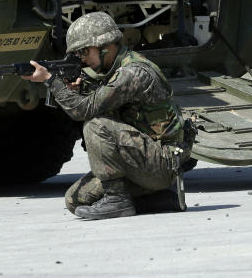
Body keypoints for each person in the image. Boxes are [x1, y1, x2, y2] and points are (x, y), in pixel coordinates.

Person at [23, 11, 193, 219]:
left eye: (85, 51)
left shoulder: (133, 73)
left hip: (163, 162)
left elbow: (84, 111)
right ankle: (160, 198)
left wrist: (51, 81)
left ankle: (117, 201)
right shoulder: (113, 71)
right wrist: (77, 90)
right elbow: (97, 103)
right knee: (75, 200)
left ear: (105, 46)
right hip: (142, 159)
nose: (82, 59)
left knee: (96, 125)